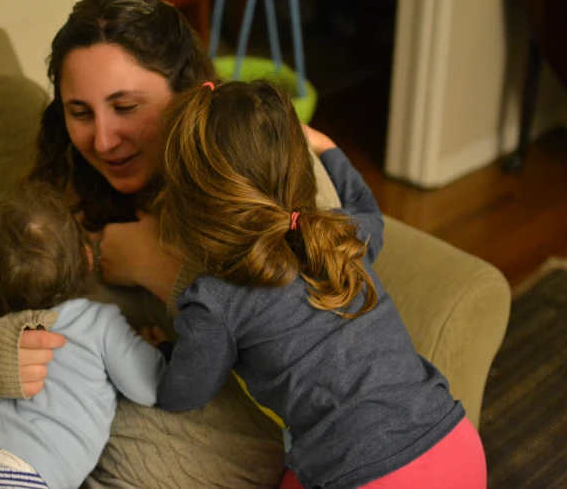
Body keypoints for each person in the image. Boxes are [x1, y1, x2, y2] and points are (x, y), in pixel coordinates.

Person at [0, 0, 344, 488]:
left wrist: (163, 271)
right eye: (80, 112)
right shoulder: (61, 199)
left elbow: (331, 319)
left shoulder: (263, 160)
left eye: (126, 106)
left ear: (186, 92)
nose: (104, 139)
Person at [146, 79, 487, 489]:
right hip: (456, 445)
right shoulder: (341, 237)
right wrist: (328, 147)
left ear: (188, 206)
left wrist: (162, 353)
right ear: (299, 165)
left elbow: (185, 393)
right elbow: (369, 212)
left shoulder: (213, 301)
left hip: (364, 477)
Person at [0, 183, 168, 489]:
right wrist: (153, 350)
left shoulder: (2, 333)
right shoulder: (100, 321)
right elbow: (147, 387)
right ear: (88, 259)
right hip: (23, 475)